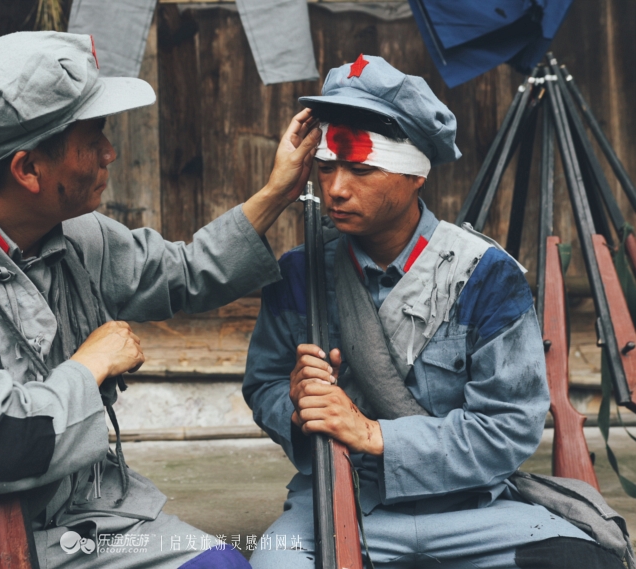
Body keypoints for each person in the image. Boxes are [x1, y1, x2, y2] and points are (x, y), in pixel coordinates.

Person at [0, 32, 320, 569]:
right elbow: (1, 447)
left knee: (222, 566)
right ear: (28, 170)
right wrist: (91, 363)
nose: (110, 152)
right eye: (92, 136)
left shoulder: (74, 232)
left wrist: (278, 193)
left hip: (84, 518)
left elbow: (184, 274)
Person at [243, 55, 625, 568]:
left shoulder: (488, 274)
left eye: (360, 168)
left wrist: (375, 435)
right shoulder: (298, 272)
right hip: (344, 500)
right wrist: (295, 405)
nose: (335, 188)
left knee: (580, 562)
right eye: (326, 167)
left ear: (414, 174)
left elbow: (509, 426)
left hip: (470, 507)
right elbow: (262, 382)